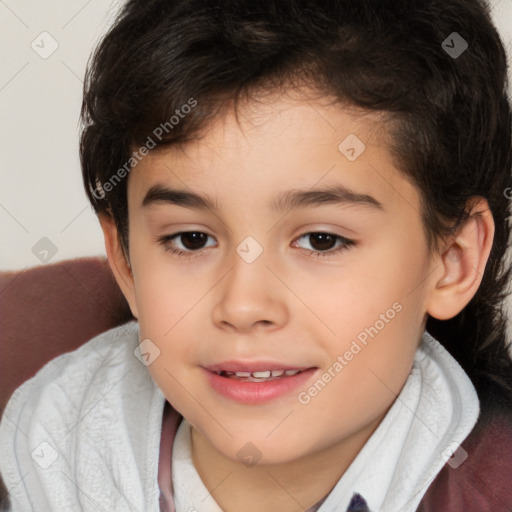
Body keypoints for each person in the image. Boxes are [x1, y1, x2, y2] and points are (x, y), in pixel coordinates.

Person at [1, 0, 512, 510]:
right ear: (126, 261)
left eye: (321, 240)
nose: (244, 306)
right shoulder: (47, 437)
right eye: (191, 239)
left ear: (452, 260)